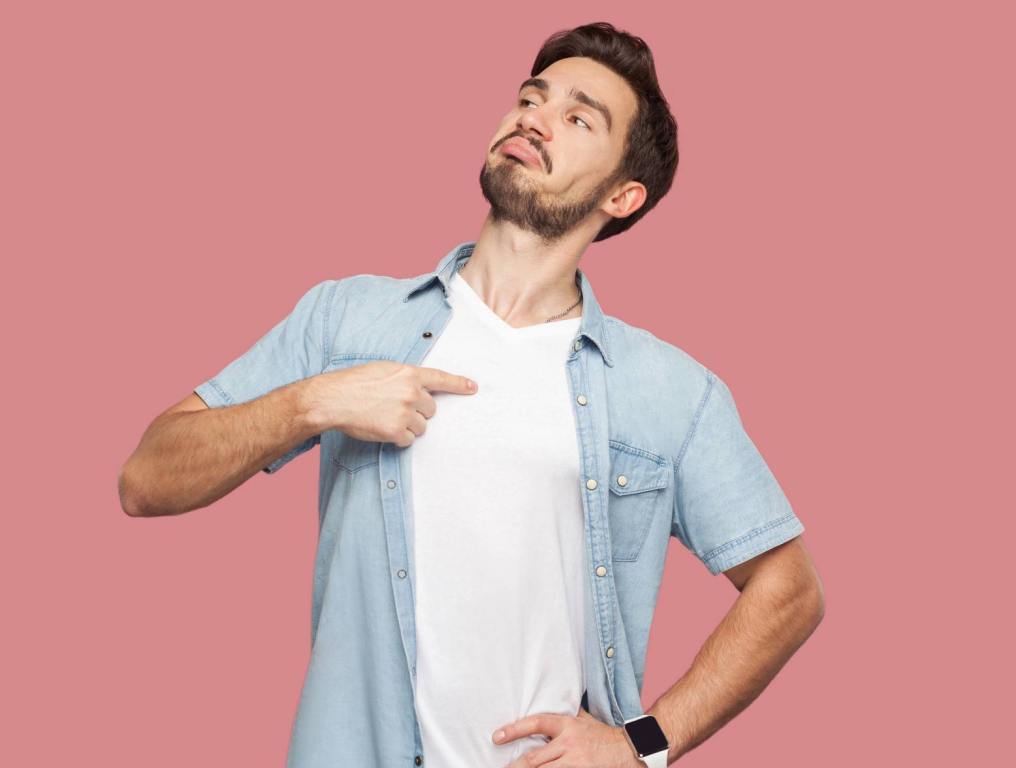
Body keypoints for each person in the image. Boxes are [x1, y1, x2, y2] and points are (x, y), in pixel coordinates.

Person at [118, 21, 824, 768]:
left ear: (623, 195)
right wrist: (313, 402)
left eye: (578, 117)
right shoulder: (349, 319)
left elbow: (790, 588)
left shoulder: (670, 393)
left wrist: (641, 745)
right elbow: (146, 478)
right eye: (531, 96)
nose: (534, 117)